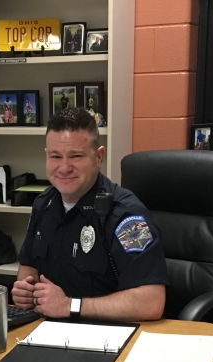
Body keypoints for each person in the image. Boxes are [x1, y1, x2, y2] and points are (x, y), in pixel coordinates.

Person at [12, 108, 167, 322]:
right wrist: (26, 288)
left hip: (106, 337)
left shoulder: (126, 217)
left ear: (98, 157)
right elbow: (28, 263)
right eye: (56, 156)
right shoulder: (43, 204)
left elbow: (151, 302)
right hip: (47, 330)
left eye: (76, 156)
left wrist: (69, 306)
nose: (64, 167)